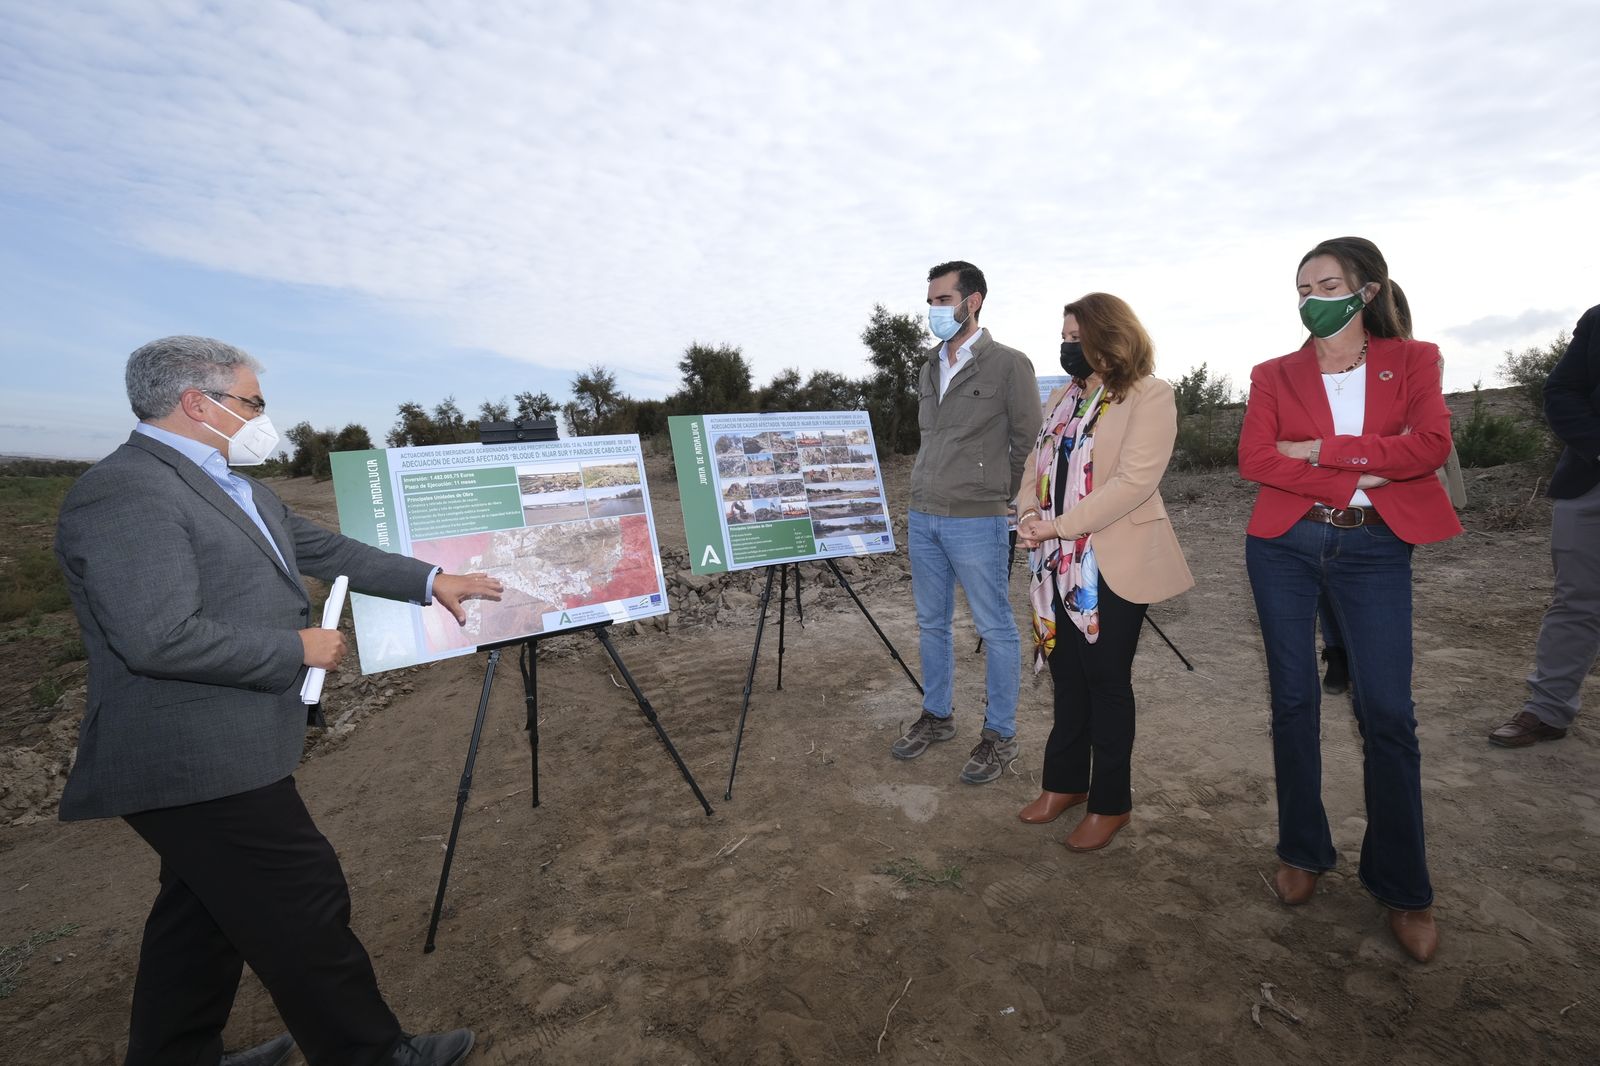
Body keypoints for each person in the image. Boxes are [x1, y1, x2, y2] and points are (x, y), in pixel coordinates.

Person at [54, 337, 504, 1066]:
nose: (264, 418)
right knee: (301, 903)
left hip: (222, 747)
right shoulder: (127, 491)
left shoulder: (235, 486)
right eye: (253, 402)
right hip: (190, 757)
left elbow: (327, 551)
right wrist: (295, 649)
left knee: (202, 914)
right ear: (198, 403)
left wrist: (431, 580)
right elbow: (156, 638)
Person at [1239, 237, 1461, 964]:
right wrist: (1366, 465)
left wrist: (1318, 450)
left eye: (1327, 285)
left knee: (1388, 713)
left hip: (1375, 550)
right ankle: (1302, 849)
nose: (1311, 298)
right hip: (1284, 545)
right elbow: (1255, 459)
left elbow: (1428, 447)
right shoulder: (1273, 373)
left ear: (1366, 292)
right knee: (1293, 700)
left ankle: (1403, 887)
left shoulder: (1415, 360)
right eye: (1303, 288)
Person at [1013, 294, 1193, 851]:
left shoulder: (1149, 395)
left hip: (1111, 560)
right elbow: (1034, 464)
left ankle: (1111, 803)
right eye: (1064, 338)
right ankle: (1065, 783)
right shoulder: (1062, 398)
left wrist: (1058, 525)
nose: (1068, 347)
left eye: (1077, 338)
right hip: (1054, 559)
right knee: (1066, 674)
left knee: (1107, 680)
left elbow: (1134, 482)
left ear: (1110, 337)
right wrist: (1027, 513)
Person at [893, 261, 1042, 783]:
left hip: (978, 519)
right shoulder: (928, 367)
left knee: (995, 627)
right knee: (932, 623)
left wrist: (1008, 497)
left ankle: (1000, 735)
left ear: (971, 301)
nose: (934, 310)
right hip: (924, 514)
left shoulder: (1009, 365)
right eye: (930, 302)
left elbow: (1029, 443)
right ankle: (937, 716)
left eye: (942, 300)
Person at [1317, 282, 1466, 696]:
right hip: (1329, 482)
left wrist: (1340, 451)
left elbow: (1413, 435)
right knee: (1323, 578)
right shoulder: (1316, 361)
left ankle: (1366, 656)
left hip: (1395, 489)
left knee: (1380, 580)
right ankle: (1337, 651)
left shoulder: (1418, 358)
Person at [1489, 303, 1600, 746]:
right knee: (1575, 601)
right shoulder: (1597, 320)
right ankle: (1548, 709)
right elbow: (1561, 392)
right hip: (1591, 481)